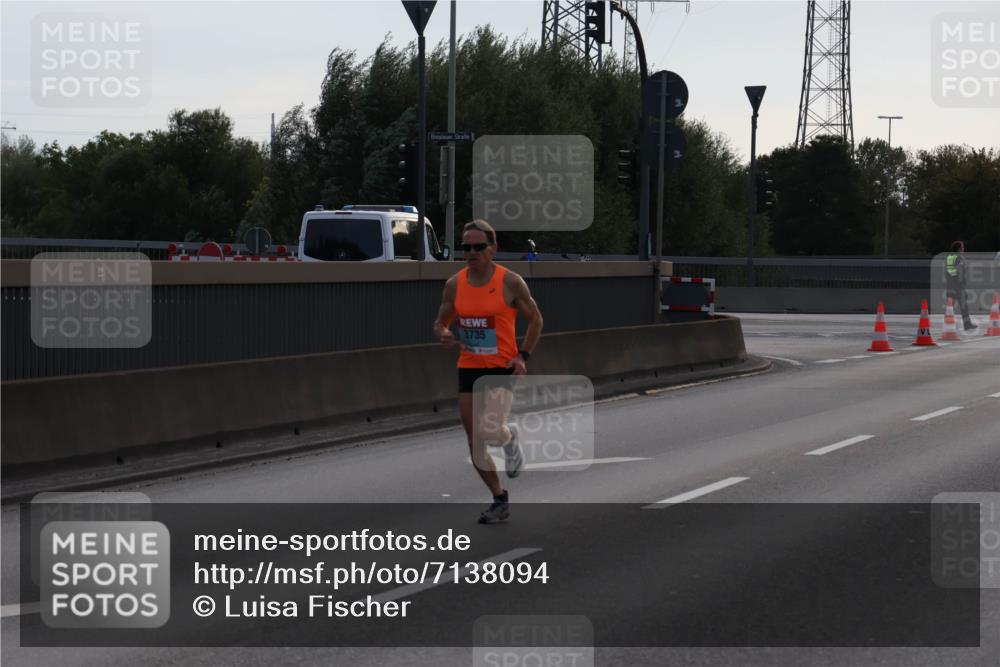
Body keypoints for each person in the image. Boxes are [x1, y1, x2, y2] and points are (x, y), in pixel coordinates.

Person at [433, 220, 544, 524]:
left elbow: (536, 320)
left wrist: (523, 355)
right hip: (469, 367)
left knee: (489, 430)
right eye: (466, 247)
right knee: (474, 442)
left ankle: (509, 440)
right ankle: (499, 498)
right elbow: (440, 320)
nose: (471, 252)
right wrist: (442, 332)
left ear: (492, 249)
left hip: (500, 367)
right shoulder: (455, 284)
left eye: (478, 247)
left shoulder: (510, 282)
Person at [945, 240, 976, 331]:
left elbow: (947, 271)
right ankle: (967, 325)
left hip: (950, 284)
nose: (963, 249)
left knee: (950, 306)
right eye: (962, 247)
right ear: (958, 249)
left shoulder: (949, 257)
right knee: (963, 306)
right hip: (958, 285)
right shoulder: (960, 258)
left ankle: (947, 324)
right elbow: (960, 270)